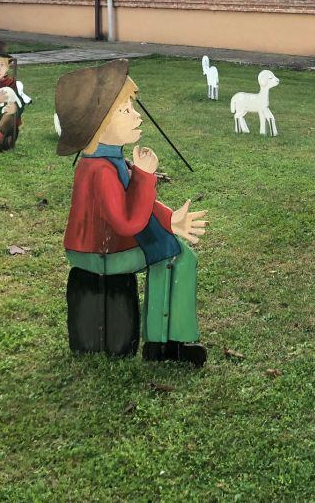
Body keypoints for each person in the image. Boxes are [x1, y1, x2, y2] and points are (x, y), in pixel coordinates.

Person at [55, 59, 210, 365]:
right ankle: (165, 344)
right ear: (99, 126)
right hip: (104, 254)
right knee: (174, 256)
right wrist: (144, 176)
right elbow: (128, 222)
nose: (136, 115)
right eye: (125, 110)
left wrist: (170, 220)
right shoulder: (101, 170)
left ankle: (165, 343)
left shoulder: (108, 161)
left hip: (102, 249)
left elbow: (138, 206)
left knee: (174, 250)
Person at [0, 40, 31, 152]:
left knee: (9, 116)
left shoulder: (14, 84)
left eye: (2, 65)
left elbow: (21, 102)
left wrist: (16, 108)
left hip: (10, 127)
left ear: (7, 67)